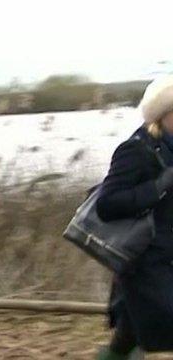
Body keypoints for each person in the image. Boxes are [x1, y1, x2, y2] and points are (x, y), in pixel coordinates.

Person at [96, 76, 173, 359]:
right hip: (146, 262)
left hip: (167, 256)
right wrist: (159, 186)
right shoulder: (136, 150)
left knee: (127, 337)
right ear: (164, 114)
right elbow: (107, 204)